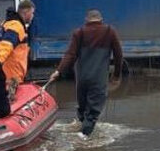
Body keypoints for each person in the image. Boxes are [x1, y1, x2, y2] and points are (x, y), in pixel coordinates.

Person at [49, 9, 123, 139]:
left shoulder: (79, 33)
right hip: (98, 79)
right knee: (93, 113)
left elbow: (70, 55)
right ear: (101, 19)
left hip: (82, 80)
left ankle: (82, 130)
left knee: (82, 110)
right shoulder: (109, 31)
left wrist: (58, 71)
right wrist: (116, 75)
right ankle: (83, 139)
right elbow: (119, 55)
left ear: (86, 20)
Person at [0, 0, 35, 99]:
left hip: (7, 73)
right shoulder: (16, 26)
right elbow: (6, 45)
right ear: (25, 12)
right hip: (11, 76)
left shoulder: (8, 24)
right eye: (32, 13)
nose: (32, 16)